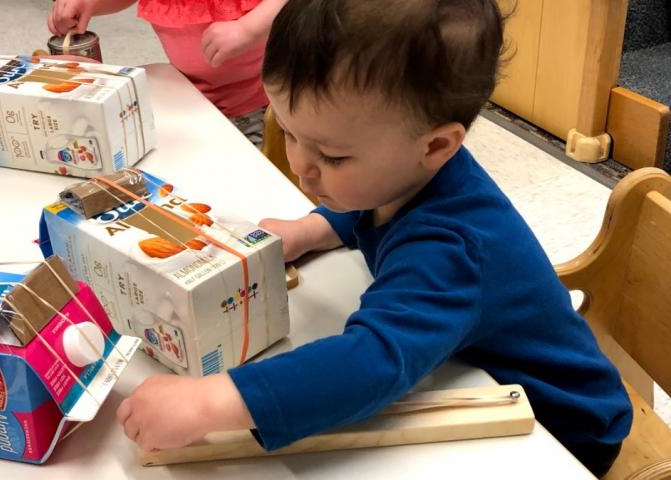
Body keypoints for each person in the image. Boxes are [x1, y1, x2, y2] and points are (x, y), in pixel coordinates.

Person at [116, 1, 632, 476]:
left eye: (333, 156)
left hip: (563, 429)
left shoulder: (449, 248)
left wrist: (213, 402)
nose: (300, 165)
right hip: (463, 367)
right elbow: (373, 201)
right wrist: (313, 228)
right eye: (291, 133)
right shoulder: (409, 172)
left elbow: (371, 362)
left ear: (435, 146)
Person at [47, 0, 288, 146]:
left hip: (259, 101)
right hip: (188, 92)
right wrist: (92, 4)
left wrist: (249, 27)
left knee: (255, 175)